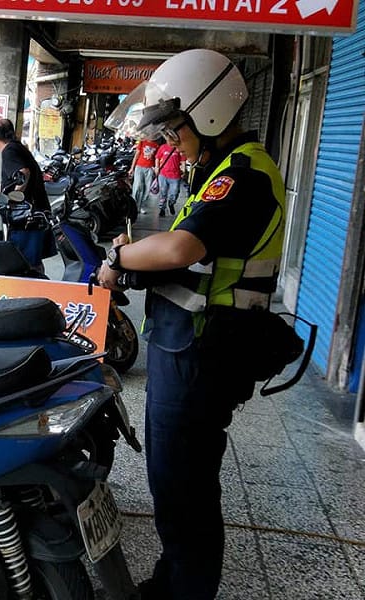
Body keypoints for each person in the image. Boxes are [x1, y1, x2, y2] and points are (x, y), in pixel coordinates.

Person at [97, 49, 286, 600]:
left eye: (175, 128)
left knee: (185, 487)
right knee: (176, 482)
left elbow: (183, 245)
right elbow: (193, 259)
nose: (167, 141)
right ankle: (172, 581)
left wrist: (120, 261)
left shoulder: (243, 174)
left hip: (205, 353)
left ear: (209, 115)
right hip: (188, 344)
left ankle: (186, 591)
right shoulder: (219, 171)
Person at [0, 118, 51, 271]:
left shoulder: (9, 151)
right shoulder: (18, 148)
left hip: (25, 216)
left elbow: (24, 172)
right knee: (32, 262)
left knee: (24, 263)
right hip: (35, 214)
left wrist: (14, 199)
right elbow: (12, 177)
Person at [153, 140, 185, 217]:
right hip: (163, 174)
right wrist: (157, 167)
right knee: (163, 193)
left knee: (175, 192)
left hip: (175, 175)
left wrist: (183, 170)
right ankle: (162, 209)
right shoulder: (163, 147)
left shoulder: (178, 147)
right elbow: (157, 157)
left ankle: (171, 203)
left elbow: (183, 160)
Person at [128, 135, 159, 214]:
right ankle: (133, 206)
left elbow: (156, 158)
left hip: (149, 168)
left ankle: (140, 206)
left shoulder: (156, 145)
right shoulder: (142, 142)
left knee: (147, 188)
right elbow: (137, 155)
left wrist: (156, 168)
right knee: (138, 186)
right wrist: (132, 168)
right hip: (139, 167)